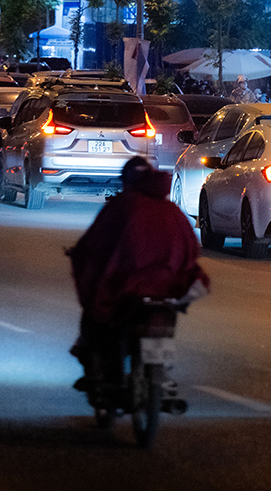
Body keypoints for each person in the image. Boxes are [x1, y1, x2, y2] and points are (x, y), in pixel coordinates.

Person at [67, 156, 209, 392]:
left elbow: (94, 244)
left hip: (125, 287)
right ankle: (159, 369)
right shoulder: (171, 210)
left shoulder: (122, 205)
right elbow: (191, 250)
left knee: (96, 314)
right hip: (169, 289)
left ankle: (98, 368)